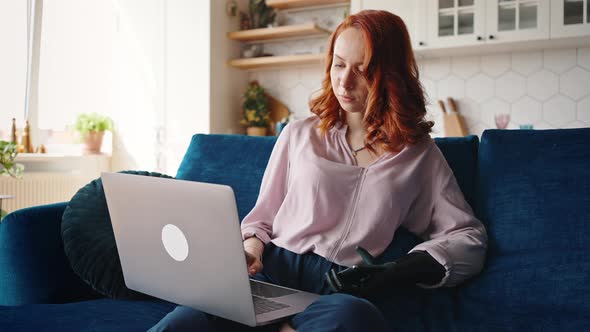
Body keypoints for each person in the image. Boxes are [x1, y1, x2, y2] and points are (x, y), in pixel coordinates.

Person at [149, 9, 487, 332]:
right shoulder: (299, 134)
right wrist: (251, 251)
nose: (344, 81)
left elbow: (466, 236)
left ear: (390, 74)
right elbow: (261, 218)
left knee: (352, 317)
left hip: (339, 289)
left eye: (363, 69)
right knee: (186, 321)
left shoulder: (418, 155)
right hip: (273, 273)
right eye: (338, 65)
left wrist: (397, 271)